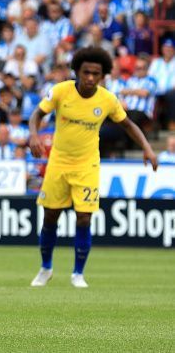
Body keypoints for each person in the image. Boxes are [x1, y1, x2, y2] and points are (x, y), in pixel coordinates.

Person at [28, 47, 158, 289]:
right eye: (86, 72)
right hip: (58, 162)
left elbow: (128, 125)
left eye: (95, 74)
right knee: (50, 217)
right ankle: (46, 268)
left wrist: (148, 148)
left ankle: (78, 274)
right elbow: (37, 113)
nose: (90, 78)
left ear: (103, 76)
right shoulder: (60, 91)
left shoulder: (107, 99)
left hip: (87, 165)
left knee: (84, 217)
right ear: (77, 71)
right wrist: (34, 134)